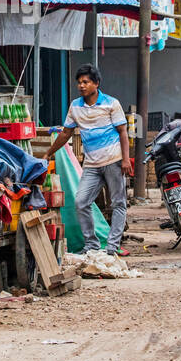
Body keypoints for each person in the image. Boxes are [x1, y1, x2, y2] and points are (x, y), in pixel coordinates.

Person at [43, 63, 132, 257]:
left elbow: (123, 132)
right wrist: (49, 153)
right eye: (79, 82)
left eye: (86, 82)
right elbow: (66, 133)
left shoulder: (111, 103)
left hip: (114, 161)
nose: (81, 86)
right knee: (81, 201)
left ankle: (111, 247)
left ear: (96, 84)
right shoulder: (75, 106)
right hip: (91, 164)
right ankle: (91, 244)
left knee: (118, 203)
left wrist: (126, 159)